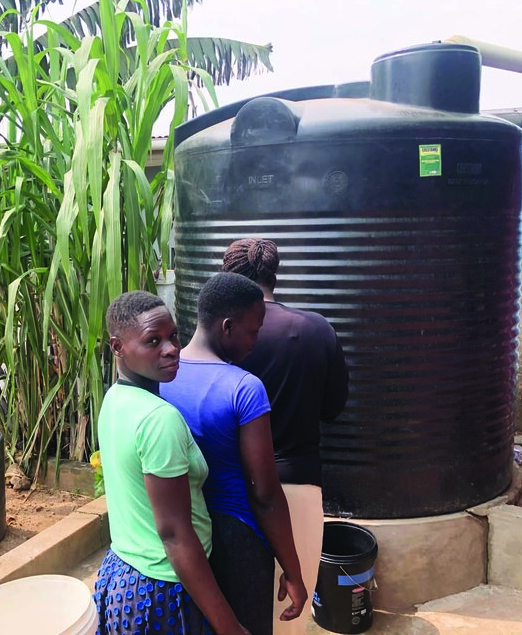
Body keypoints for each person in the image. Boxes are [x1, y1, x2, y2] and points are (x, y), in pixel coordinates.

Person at [94, 290, 250, 635]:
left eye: (173, 336)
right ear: (117, 347)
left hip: (124, 574)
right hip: (164, 591)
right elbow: (176, 535)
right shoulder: (158, 419)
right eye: (153, 341)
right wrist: (230, 627)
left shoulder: (116, 399)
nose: (171, 348)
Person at [160, 272, 307, 635]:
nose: (256, 341)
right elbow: (264, 494)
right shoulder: (244, 389)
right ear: (227, 327)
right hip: (235, 538)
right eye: (253, 330)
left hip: (186, 536)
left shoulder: (159, 378)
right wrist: (293, 570)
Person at [222, 238, 349, 633]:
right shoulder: (317, 329)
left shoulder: (221, 335)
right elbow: (333, 409)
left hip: (233, 493)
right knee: (293, 613)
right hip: (299, 487)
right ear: (275, 276)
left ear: (228, 278)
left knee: (238, 607)